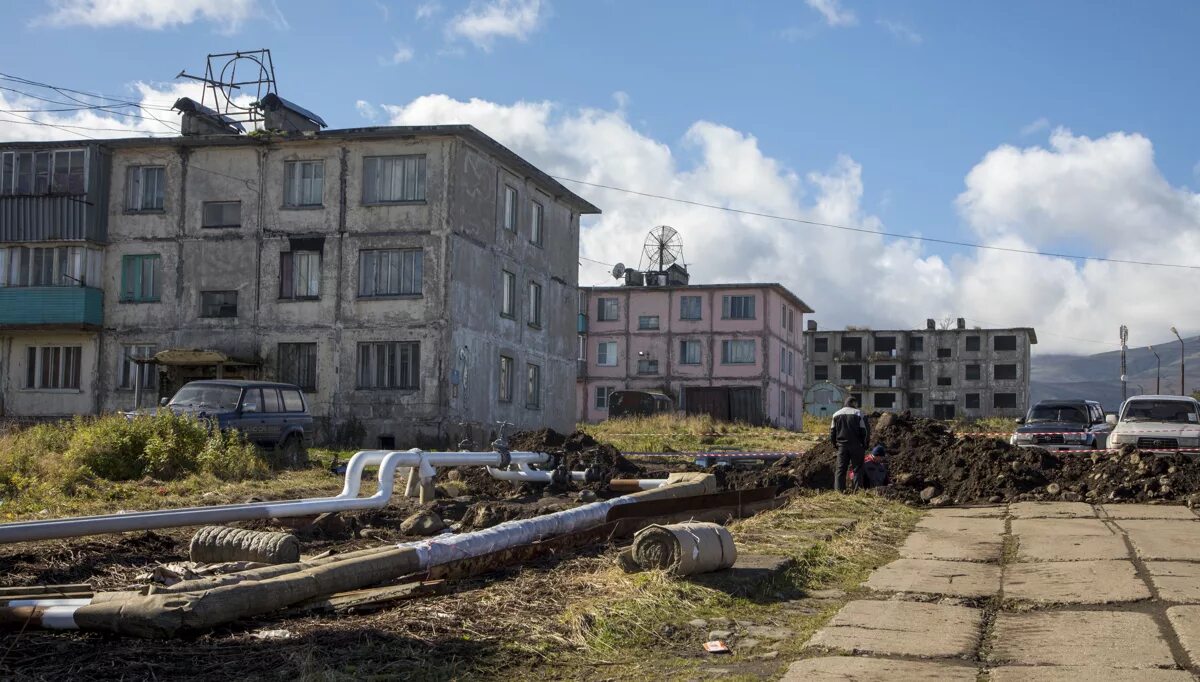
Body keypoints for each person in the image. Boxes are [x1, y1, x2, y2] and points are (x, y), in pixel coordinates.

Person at [831, 396, 870, 493]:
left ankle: (839, 492)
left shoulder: (836, 414)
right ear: (854, 403)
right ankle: (857, 491)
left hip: (842, 446)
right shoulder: (859, 413)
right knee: (857, 469)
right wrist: (865, 444)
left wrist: (835, 445)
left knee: (840, 469)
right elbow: (865, 431)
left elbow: (832, 432)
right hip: (857, 446)